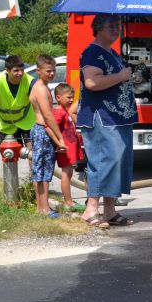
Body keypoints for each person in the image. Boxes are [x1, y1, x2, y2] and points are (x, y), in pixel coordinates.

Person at [78, 14, 137, 228]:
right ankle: (90, 210)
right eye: (112, 26)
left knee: (118, 161)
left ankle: (110, 212)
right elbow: (92, 82)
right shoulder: (92, 52)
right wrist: (121, 76)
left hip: (117, 117)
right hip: (102, 116)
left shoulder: (111, 53)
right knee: (103, 161)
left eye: (118, 25)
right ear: (98, 28)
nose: (117, 29)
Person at [28, 55, 67, 217]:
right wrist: (60, 139)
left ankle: (42, 208)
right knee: (42, 172)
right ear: (38, 71)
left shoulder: (41, 86)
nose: (51, 74)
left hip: (42, 130)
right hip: (43, 131)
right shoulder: (41, 89)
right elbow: (48, 116)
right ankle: (43, 209)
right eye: (48, 71)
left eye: (53, 71)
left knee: (43, 171)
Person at [0, 55, 34, 147]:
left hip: (27, 122)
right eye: (16, 70)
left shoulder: (30, 81)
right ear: (7, 70)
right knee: (9, 155)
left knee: (32, 153)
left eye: (22, 70)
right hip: (6, 126)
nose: (20, 73)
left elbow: (40, 102)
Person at [52, 83, 86, 212]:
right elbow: (52, 127)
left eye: (72, 97)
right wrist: (59, 143)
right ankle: (68, 202)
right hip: (65, 149)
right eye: (68, 97)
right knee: (66, 174)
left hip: (71, 148)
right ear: (58, 97)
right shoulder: (59, 112)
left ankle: (69, 201)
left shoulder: (65, 111)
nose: (71, 100)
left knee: (69, 173)